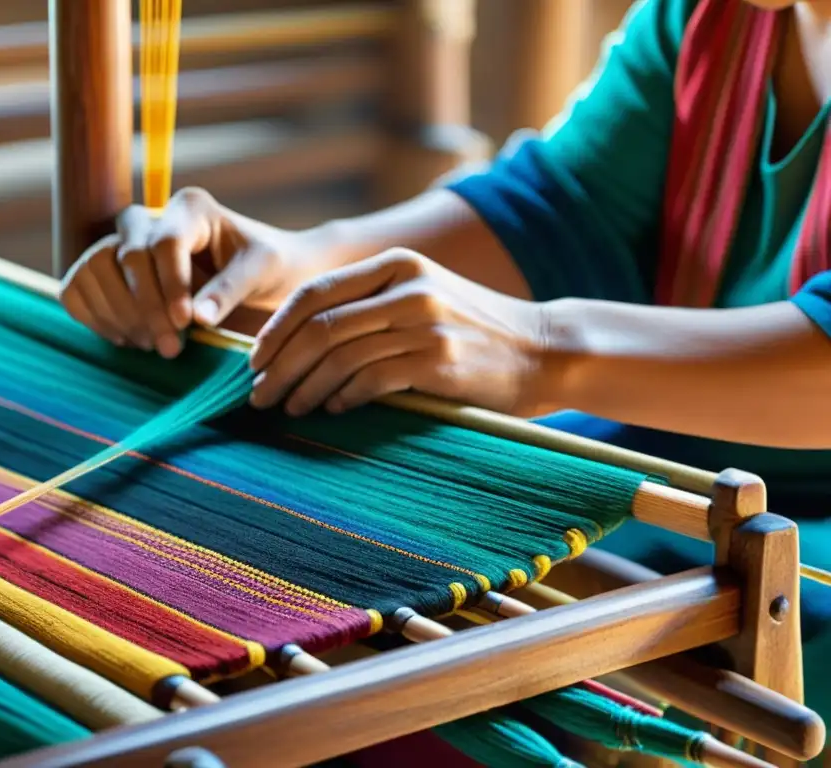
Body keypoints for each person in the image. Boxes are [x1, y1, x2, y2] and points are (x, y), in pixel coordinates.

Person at [61, 0, 831, 737]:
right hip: (665, 452)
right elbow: (557, 203)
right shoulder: (702, 18)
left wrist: (538, 347)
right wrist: (293, 264)